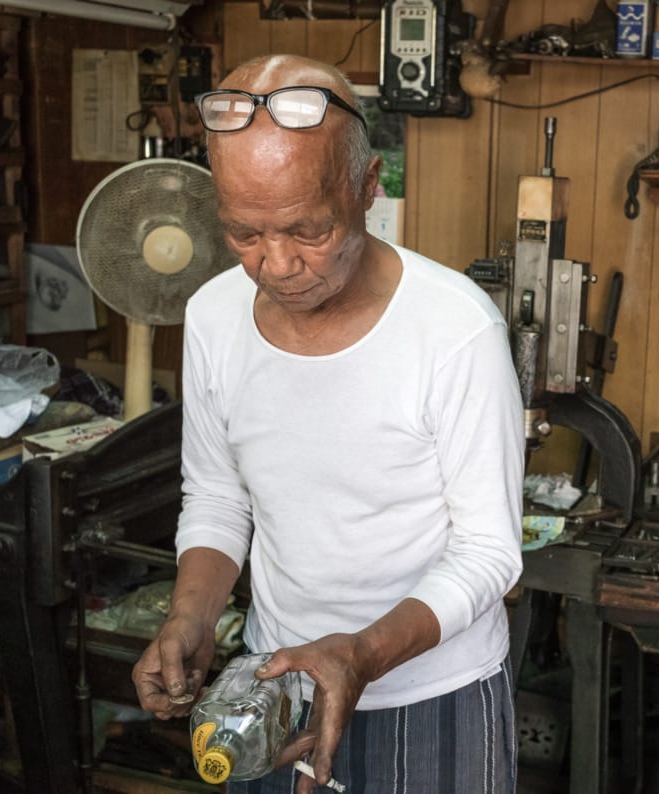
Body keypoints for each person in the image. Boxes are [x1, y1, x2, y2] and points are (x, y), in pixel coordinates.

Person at [131, 54, 525, 794]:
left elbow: (488, 552)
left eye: (308, 229)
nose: (277, 264)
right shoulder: (213, 317)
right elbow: (219, 497)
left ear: (368, 186)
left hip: (432, 694)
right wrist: (191, 621)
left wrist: (363, 655)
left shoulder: (454, 329)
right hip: (273, 691)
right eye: (243, 234)